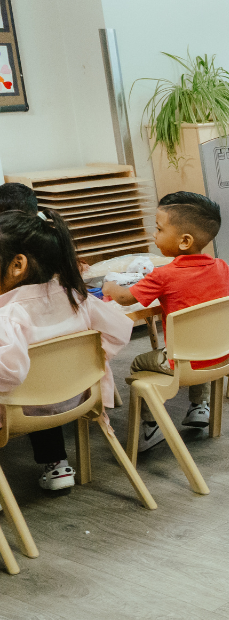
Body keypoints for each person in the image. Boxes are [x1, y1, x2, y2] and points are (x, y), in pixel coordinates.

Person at [0, 209, 132, 490]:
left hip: (22, 412)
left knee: (27, 387)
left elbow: (9, 372)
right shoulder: (76, 296)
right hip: (77, 397)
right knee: (41, 383)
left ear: (17, 265)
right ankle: (57, 465)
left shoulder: (9, 314)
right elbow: (120, 330)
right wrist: (87, 362)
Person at [103, 192, 229, 452]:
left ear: (184, 241)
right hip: (224, 354)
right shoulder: (222, 267)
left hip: (184, 362)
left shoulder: (163, 275)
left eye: (158, 229)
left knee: (137, 363)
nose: (153, 235)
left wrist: (110, 286)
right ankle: (199, 407)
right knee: (197, 344)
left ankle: (152, 427)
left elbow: (124, 298)